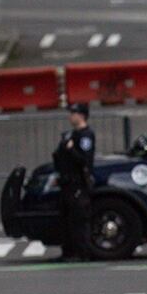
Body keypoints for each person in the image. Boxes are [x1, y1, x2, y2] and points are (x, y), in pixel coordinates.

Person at [52, 103, 96, 262]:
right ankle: (68, 251)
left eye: (73, 113)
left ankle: (82, 252)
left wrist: (71, 149)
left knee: (78, 219)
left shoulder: (86, 136)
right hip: (66, 182)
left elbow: (84, 160)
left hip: (77, 184)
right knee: (66, 219)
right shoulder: (70, 135)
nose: (70, 116)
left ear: (82, 115)